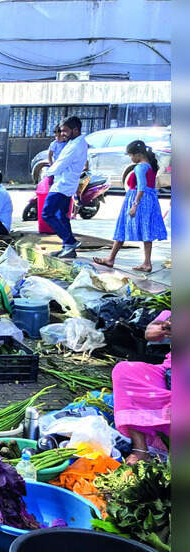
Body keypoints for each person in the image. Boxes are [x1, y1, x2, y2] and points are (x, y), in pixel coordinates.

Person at [93, 140, 168, 272]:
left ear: (138, 154)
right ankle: (146, 263)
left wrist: (135, 204)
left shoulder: (139, 167)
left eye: (131, 155)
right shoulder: (149, 166)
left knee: (122, 228)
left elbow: (141, 187)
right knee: (146, 231)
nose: (131, 158)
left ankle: (111, 258)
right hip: (149, 201)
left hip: (138, 200)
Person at [112, 310, 171, 464]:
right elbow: (149, 334)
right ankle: (141, 450)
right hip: (170, 370)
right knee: (124, 370)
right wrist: (164, 328)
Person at [42, 116, 88, 258]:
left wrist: (46, 173)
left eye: (65, 131)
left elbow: (60, 164)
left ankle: (70, 241)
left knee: (47, 214)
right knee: (61, 216)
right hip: (66, 184)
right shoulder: (76, 142)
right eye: (61, 131)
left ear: (75, 130)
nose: (62, 134)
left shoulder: (74, 146)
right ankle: (68, 248)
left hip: (62, 185)